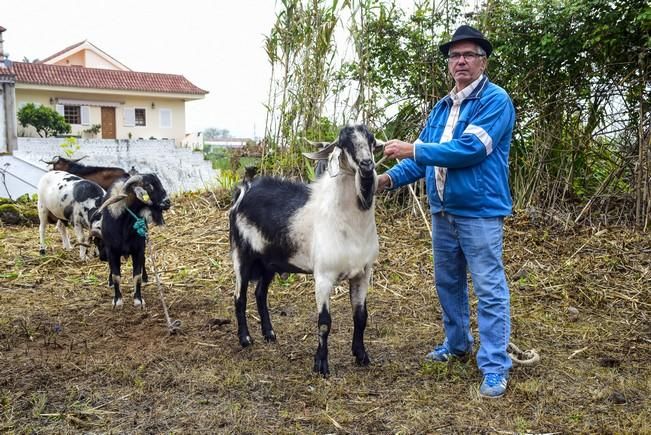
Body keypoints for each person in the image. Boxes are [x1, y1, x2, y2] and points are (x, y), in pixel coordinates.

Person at [377, 25, 516, 398]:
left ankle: (494, 366)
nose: (461, 61)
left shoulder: (495, 101)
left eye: (469, 55)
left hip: (480, 212)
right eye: (455, 56)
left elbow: (470, 149)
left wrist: (414, 150)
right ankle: (456, 345)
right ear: (449, 63)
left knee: (488, 288)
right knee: (449, 284)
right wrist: (383, 181)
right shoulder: (442, 107)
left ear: (482, 61)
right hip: (443, 212)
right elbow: (422, 159)